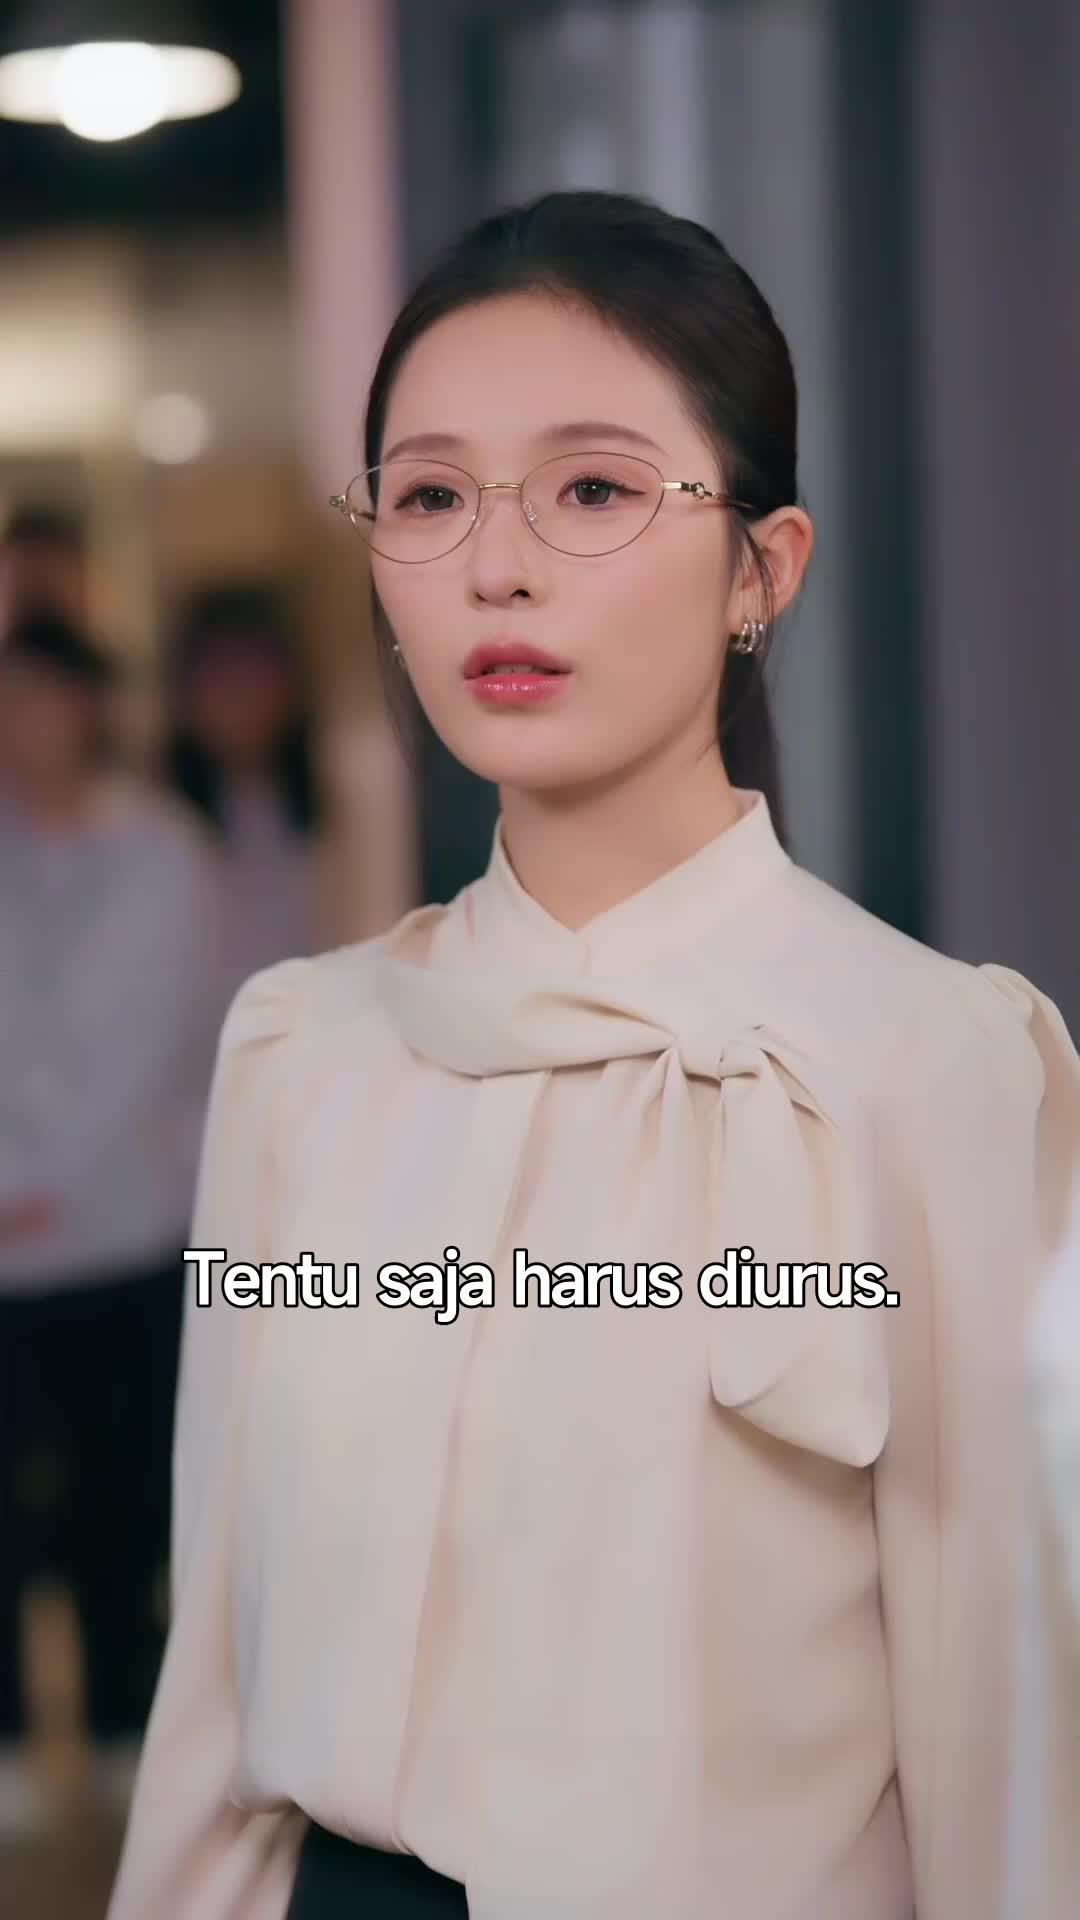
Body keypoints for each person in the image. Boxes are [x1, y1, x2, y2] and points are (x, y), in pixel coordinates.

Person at [107, 190, 1080, 1920]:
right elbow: (215, 1705)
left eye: (594, 490)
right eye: (429, 496)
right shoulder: (303, 1052)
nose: (497, 567)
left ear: (762, 569)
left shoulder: (938, 1068)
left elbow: (1007, 1739)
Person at [0, 610, 219, 1835]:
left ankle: (129, 1722)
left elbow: (133, 1037)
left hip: (121, 1223)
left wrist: (36, 1173)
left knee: (121, 1492)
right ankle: (13, 1741)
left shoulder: (156, 847)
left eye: (41, 695)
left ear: (88, 704)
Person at [163, 583, 326, 1023]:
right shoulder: (154, 822)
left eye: (256, 671)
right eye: (221, 675)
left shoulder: (333, 810)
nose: (240, 695)